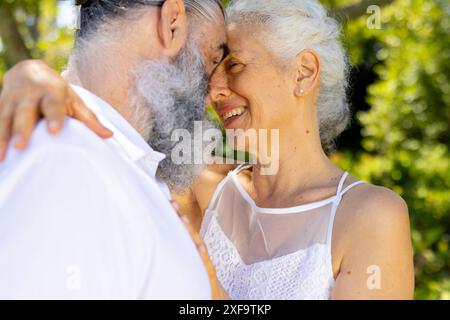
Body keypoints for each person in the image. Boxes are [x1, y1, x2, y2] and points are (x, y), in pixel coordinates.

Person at [0, 0, 415, 299]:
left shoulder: (371, 215)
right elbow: (113, 137)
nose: (215, 90)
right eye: (214, 64)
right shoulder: (196, 185)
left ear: (303, 73)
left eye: (233, 65)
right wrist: (34, 76)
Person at [0, 0, 229, 299]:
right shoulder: (69, 160)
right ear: (172, 23)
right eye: (212, 59)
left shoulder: (118, 165)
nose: (217, 91)